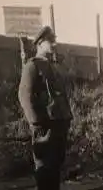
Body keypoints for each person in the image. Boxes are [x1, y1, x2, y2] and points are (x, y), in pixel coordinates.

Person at [18, 26, 73, 190]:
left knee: (55, 170)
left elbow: (60, 96)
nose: (54, 44)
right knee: (44, 171)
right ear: (40, 44)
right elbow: (24, 96)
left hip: (58, 125)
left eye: (54, 41)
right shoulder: (32, 66)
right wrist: (37, 124)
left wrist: (66, 120)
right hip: (45, 128)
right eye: (51, 41)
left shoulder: (54, 67)